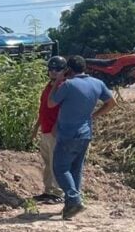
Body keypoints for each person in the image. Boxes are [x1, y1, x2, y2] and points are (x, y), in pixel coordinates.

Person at [48, 55, 116, 219]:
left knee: (60, 168)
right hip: (85, 134)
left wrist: (57, 81)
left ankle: (74, 199)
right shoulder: (97, 83)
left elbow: (51, 103)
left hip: (68, 134)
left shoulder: (68, 84)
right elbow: (111, 102)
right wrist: (94, 115)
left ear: (68, 70)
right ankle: (71, 207)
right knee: (75, 170)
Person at [30, 56, 66, 204]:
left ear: (64, 71)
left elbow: (65, 109)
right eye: (51, 69)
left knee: (56, 163)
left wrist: (57, 126)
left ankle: (59, 193)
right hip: (45, 130)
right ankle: (48, 191)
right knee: (48, 162)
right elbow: (43, 109)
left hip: (55, 131)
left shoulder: (63, 87)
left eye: (57, 69)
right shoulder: (48, 86)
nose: (53, 72)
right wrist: (36, 127)